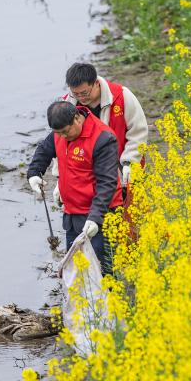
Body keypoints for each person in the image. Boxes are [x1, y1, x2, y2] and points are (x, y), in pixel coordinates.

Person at [27, 101, 122, 275]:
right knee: (76, 270)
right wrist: (34, 173)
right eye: (58, 133)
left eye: (65, 131)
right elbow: (44, 150)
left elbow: (107, 183)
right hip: (72, 214)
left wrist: (96, 217)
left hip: (101, 214)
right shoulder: (60, 133)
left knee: (102, 271)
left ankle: (110, 301)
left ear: (77, 118)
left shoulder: (103, 138)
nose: (62, 137)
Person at [60, 63, 148, 186]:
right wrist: (61, 180)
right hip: (87, 172)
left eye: (84, 93)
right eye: (76, 94)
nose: (81, 98)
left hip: (124, 166)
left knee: (134, 203)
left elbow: (138, 132)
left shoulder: (122, 96)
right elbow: (61, 144)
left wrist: (130, 162)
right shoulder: (66, 105)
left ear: (96, 83)